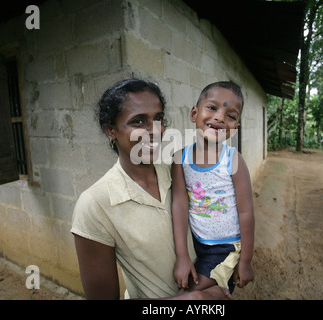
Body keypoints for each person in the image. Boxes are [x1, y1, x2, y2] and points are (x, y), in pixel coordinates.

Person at [71, 78, 230, 300]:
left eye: (159, 118)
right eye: (138, 121)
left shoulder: (180, 173)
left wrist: (220, 278)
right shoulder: (96, 204)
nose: (155, 131)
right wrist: (192, 300)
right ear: (111, 131)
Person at [172, 81, 255, 295]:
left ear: (235, 128)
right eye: (212, 107)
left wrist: (245, 260)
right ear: (194, 113)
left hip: (225, 248)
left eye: (231, 116)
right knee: (200, 292)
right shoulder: (180, 158)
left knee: (187, 294)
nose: (219, 117)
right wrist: (183, 256)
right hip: (197, 243)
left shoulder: (233, 160)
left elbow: (246, 213)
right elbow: (180, 204)